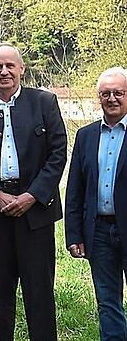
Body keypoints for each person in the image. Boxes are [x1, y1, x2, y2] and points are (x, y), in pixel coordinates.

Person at [0, 43, 67, 341]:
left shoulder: (45, 102)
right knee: (1, 292)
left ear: (21, 68)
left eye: (10, 65)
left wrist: (32, 195)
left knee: (40, 291)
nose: (4, 71)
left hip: (36, 211)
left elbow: (58, 152)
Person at [65, 67, 127, 340]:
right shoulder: (86, 135)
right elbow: (75, 189)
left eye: (119, 93)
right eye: (106, 93)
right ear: (98, 98)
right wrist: (74, 233)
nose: (112, 98)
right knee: (107, 300)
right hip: (99, 232)